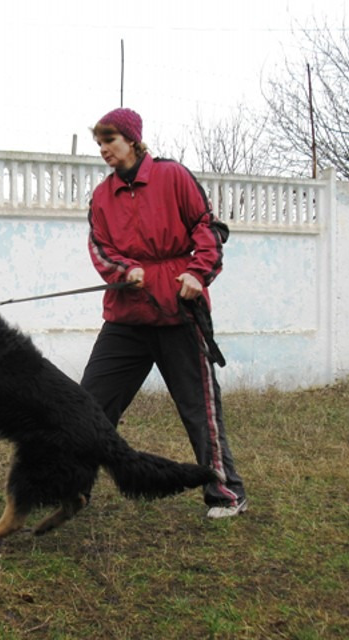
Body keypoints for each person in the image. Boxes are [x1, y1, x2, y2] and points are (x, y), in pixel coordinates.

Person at [80, 107, 247, 518]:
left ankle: (226, 494)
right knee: (88, 407)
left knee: (199, 409)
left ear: (133, 140)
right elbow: (100, 248)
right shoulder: (101, 197)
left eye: (110, 140)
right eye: (99, 142)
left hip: (178, 313)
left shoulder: (174, 177)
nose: (103, 149)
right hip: (126, 318)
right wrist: (124, 270)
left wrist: (197, 273)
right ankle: (71, 487)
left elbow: (207, 229)